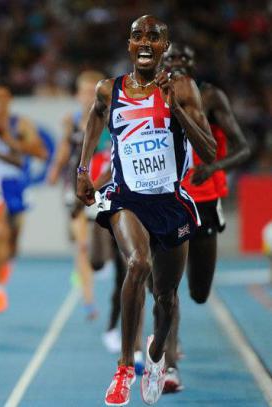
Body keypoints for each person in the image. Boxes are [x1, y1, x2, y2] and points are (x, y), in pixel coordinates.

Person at [76, 15, 216, 406]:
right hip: (127, 198)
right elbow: (94, 118)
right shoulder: (110, 89)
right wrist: (84, 170)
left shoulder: (182, 88)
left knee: (167, 297)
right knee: (137, 264)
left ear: (164, 46)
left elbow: (209, 152)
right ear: (128, 44)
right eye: (137, 35)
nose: (144, 42)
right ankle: (124, 368)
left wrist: (177, 110)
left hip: (170, 201)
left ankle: (155, 357)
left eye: (153, 37)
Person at [161, 42, 250, 392]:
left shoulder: (211, 98)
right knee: (166, 289)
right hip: (169, 201)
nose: (178, 64)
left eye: (184, 59)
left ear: (194, 64)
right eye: (171, 60)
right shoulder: (152, 96)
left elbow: (243, 147)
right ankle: (168, 364)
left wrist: (212, 166)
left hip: (206, 200)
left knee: (198, 291)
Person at [48, 70, 111, 322]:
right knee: (82, 246)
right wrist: (54, 170)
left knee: (99, 249)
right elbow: (65, 148)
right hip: (74, 187)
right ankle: (88, 300)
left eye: (92, 92)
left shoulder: (108, 120)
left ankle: (97, 261)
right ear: (76, 95)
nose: (87, 97)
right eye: (83, 92)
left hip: (102, 187)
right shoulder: (71, 121)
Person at [0, 81, 49, 313]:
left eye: (2, 97)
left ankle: (8, 262)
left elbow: (42, 152)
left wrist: (11, 141)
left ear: (9, 99)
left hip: (17, 183)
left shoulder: (20, 124)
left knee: (14, 237)